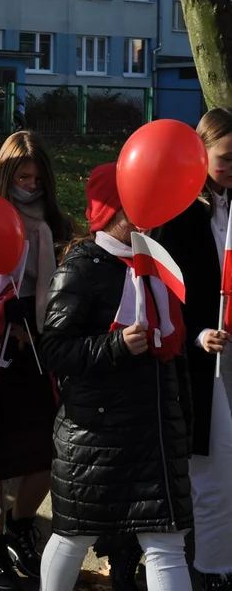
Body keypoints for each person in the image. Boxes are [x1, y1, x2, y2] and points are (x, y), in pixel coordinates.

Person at [37, 163, 193, 590]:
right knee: (74, 536)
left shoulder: (158, 265)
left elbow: (172, 353)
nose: (146, 216)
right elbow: (54, 349)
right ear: (109, 212)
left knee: (166, 541)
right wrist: (115, 345)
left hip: (155, 434)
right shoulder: (82, 266)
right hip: (96, 438)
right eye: (133, 206)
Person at [0, 130, 73, 589]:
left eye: (36, 177)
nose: (29, 184)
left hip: (39, 352)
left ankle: (22, 525)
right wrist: (4, 315)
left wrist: (42, 326)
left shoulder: (53, 224)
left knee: (45, 447)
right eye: (21, 176)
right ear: (5, 176)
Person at [160, 107, 232, 590]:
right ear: (200, 155)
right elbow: (165, 290)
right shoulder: (179, 214)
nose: (231, 168)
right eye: (224, 159)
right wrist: (198, 331)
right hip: (202, 363)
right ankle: (211, 568)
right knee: (213, 471)